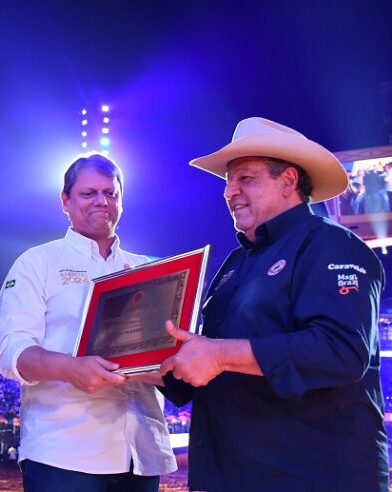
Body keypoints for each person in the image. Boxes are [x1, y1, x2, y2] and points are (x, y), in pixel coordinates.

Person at [159, 117, 390, 491]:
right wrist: (140, 363)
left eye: (245, 178)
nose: (229, 191)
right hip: (235, 474)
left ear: (288, 181)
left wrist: (219, 355)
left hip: (312, 476)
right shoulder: (235, 264)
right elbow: (200, 370)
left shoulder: (333, 245)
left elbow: (341, 350)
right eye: (228, 181)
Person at [0, 152, 176, 492]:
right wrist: (71, 368)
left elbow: (169, 351)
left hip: (141, 453)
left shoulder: (148, 270)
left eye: (110, 193)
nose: (101, 201)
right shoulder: (37, 262)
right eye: (88, 193)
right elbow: (9, 351)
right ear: (65, 200)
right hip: (64, 454)